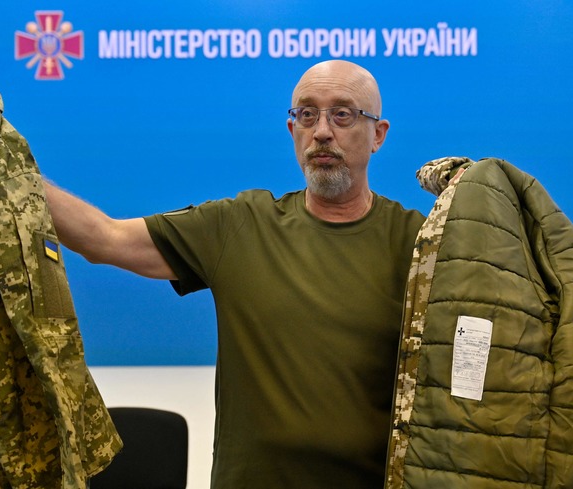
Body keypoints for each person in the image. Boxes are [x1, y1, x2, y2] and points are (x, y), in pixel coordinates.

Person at [45, 60, 425, 488]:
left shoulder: (422, 245)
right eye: (306, 114)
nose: (321, 131)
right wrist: (9, 171)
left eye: (342, 114)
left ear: (378, 134)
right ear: (292, 130)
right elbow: (104, 238)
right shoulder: (241, 225)